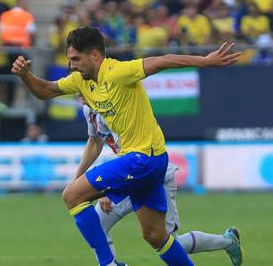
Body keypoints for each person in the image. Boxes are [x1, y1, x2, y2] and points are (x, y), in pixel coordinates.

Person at [11, 26, 240, 266]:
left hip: (144, 158)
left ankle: (108, 264)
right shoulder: (81, 81)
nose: (72, 65)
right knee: (156, 236)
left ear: (95, 55)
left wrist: (204, 61)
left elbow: (163, 60)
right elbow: (46, 90)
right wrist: (26, 75)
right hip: (146, 162)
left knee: (72, 196)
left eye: (76, 59)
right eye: (70, 60)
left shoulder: (119, 71)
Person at [78, 95, 243, 266]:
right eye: (76, 87)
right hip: (128, 177)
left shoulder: (116, 104)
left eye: (82, 85)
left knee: (171, 243)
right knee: (96, 225)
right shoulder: (89, 109)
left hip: (152, 174)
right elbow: (95, 141)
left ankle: (228, 241)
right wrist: (77, 179)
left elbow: (132, 151)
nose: (79, 93)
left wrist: (109, 188)